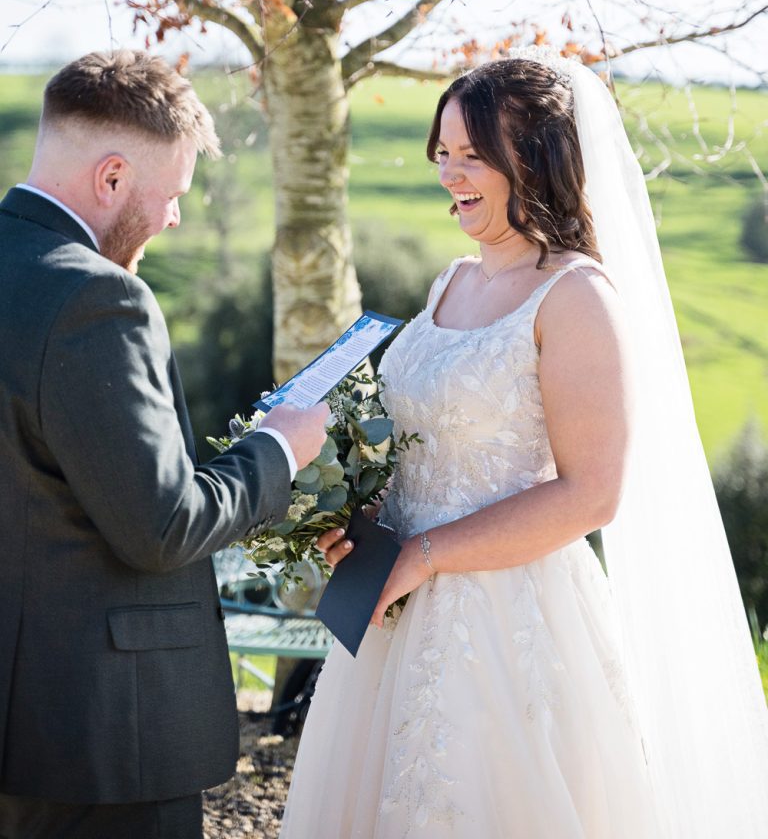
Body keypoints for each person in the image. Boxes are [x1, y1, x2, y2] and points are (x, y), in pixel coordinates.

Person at [280, 50, 768, 839]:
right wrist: (352, 511)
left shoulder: (576, 297)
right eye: (444, 153)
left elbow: (591, 493)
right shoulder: (450, 281)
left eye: (474, 155)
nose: (451, 172)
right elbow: (418, 439)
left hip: (507, 623)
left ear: (535, 157)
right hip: (392, 604)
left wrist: (425, 555)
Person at [0, 51, 329, 839]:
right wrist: (278, 449)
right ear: (111, 178)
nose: (175, 217)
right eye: (171, 194)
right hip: (102, 737)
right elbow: (163, 526)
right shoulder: (97, 297)